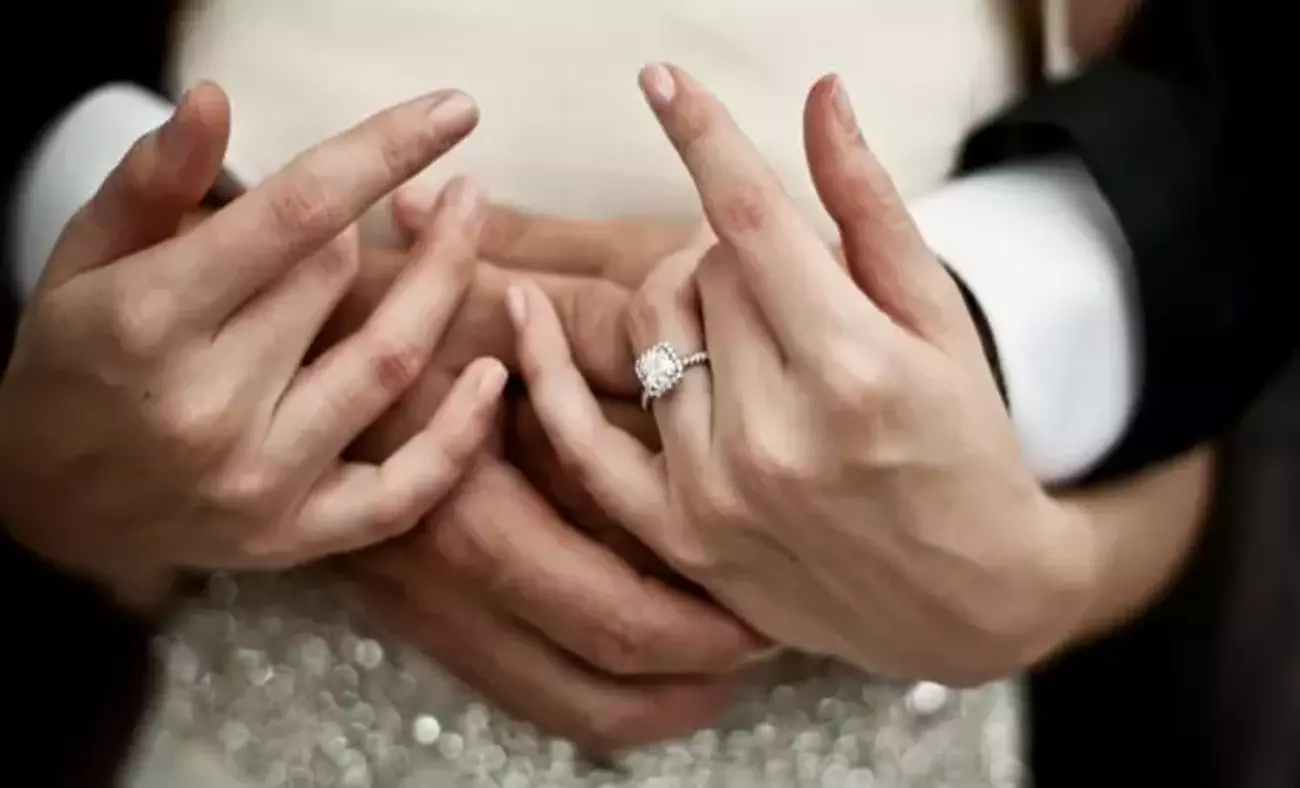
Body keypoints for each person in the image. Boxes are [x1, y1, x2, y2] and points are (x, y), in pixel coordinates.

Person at [0, 0, 1287, 785]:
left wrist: (1032, 588)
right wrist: (104, 496)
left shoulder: (1163, 104)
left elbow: (1175, 409)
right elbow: (80, 482)